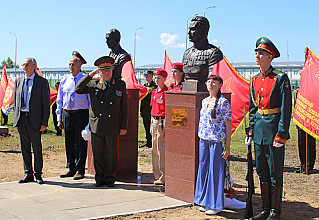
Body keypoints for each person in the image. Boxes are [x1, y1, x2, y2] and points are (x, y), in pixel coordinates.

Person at [246, 37, 292, 220]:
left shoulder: (281, 78)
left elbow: (286, 108)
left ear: (270, 56)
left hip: (273, 130)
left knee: (274, 172)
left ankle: (275, 211)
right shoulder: (254, 79)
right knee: (261, 170)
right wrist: (250, 130)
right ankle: (265, 209)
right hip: (258, 131)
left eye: (261, 53)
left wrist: (281, 133)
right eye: (256, 52)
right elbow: (252, 107)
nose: (257, 55)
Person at [75, 56, 128, 187]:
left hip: (112, 125)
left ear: (112, 70)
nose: (106, 72)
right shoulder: (93, 84)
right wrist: (90, 75)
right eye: (103, 70)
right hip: (97, 125)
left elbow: (124, 107)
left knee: (111, 154)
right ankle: (99, 177)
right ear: (99, 72)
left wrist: (123, 125)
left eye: (109, 69)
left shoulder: (120, 85)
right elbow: (78, 89)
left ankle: (110, 178)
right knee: (98, 153)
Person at [194, 75, 232, 215]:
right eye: (209, 82)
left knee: (215, 171)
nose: (211, 84)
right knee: (203, 169)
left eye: (214, 82)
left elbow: (228, 124)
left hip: (216, 141)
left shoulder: (223, 102)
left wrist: (227, 147)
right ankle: (203, 200)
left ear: (220, 85)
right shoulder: (204, 101)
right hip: (204, 139)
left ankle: (215, 204)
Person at [13, 58, 50, 184]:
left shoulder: (42, 82)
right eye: (23, 64)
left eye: (27, 64)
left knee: (36, 147)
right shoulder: (18, 81)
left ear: (34, 66)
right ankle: (28, 173)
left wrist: (44, 122)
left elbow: (46, 104)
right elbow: (16, 102)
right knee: (24, 147)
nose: (24, 66)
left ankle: (38, 174)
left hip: (35, 119)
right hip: (22, 118)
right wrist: (16, 121)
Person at [56, 56, 90, 180]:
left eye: (74, 64)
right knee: (69, 142)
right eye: (69, 64)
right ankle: (71, 168)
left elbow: (90, 100)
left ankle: (80, 170)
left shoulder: (85, 80)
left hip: (81, 114)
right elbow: (59, 100)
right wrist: (59, 118)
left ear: (80, 66)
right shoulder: (65, 80)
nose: (71, 67)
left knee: (80, 142)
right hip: (67, 114)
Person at [150, 69, 168, 186]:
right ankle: (156, 174)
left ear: (164, 79)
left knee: (161, 150)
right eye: (155, 78)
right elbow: (152, 109)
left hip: (163, 121)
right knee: (154, 149)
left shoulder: (167, 92)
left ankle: (164, 175)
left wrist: (166, 126)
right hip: (154, 120)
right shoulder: (154, 92)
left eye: (159, 78)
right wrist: (151, 125)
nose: (156, 80)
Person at [294, 89, 316, 174]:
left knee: (310, 143)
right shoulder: (297, 91)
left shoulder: (313, 91)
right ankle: (303, 164)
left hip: (311, 121)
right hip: (301, 121)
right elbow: (295, 106)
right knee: (301, 143)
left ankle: (310, 165)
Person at [140, 70, 157, 148]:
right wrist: (141, 110)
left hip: (152, 109)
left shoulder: (155, 86)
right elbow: (142, 99)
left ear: (152, 76)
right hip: (145, 110)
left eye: (148, 75)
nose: (146, 77)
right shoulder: (144, 86)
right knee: (146, 126)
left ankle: (153, 142)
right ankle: (148, 142)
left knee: (152, 127)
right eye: (145, 76)